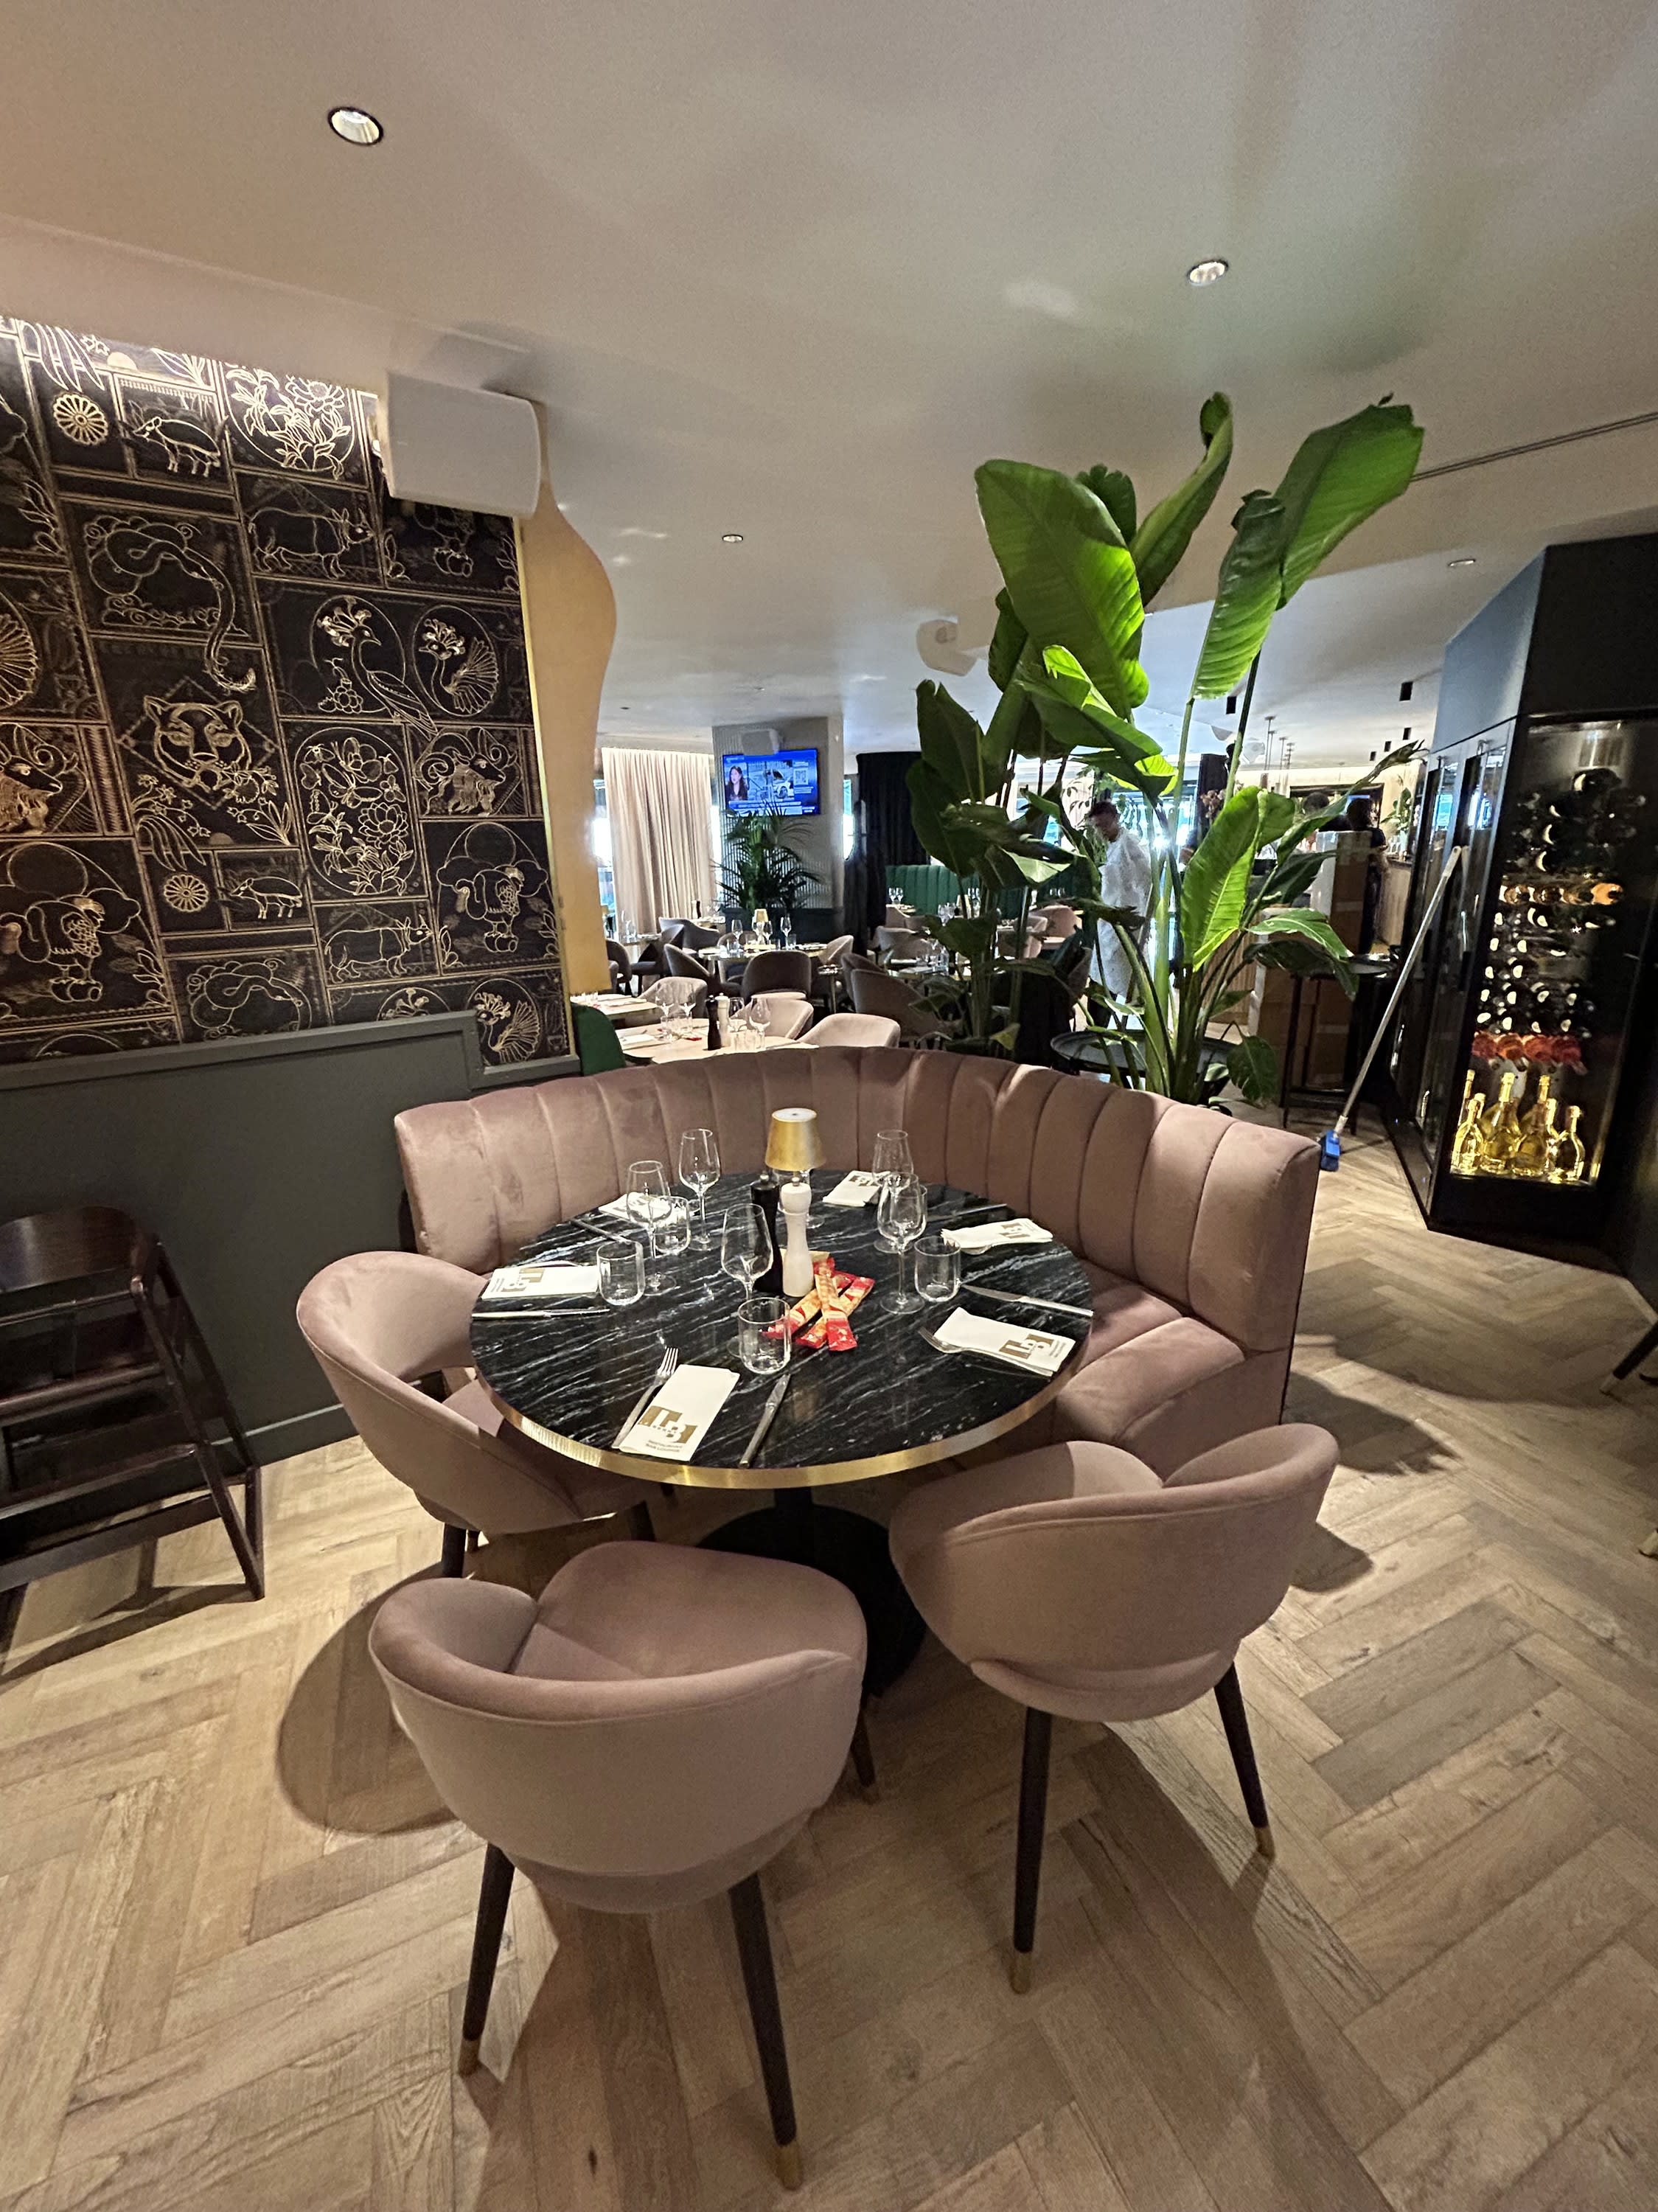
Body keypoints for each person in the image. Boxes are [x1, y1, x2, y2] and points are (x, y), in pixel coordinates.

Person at [1082, 795, 1152, 1001]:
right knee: (1104, 972)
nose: (1101, 831)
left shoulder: (1129, 844)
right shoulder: (1112, 845)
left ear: (1116, 819)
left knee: (1124, 974)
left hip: (1126, 918)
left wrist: (1146, 918)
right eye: (1097, 827)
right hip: (1110, 917)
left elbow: (1146, 881)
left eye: (1105, 825)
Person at [1341, 794, 1386, 951]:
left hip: (1345, 882)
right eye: (1372, 811)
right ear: (1366, 814)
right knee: (1367, 917)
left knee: (1347, 917)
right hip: (1369, 881)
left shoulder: (1344, 834)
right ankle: (1363, 951)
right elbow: (1382, 862)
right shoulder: (1376, 835)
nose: (1374, 814)